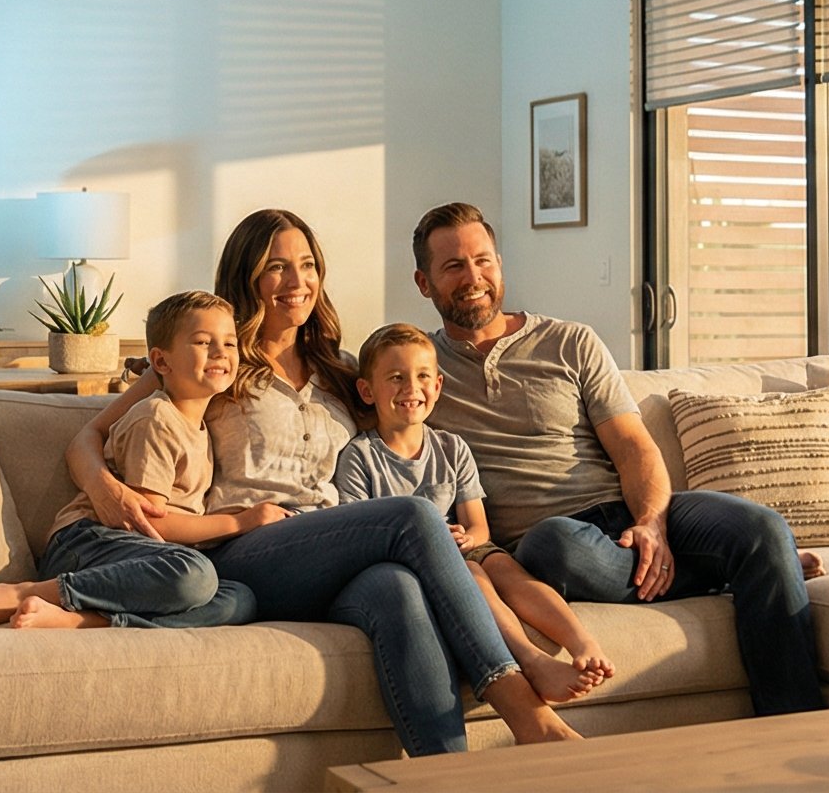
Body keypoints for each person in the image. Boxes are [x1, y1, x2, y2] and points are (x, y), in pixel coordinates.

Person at [61, 209, 579, 756]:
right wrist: (104, 489)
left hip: (333, 553)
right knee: (412, 514)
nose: (297, 281)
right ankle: (527, 712)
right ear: (248, 276)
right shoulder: (217, 358)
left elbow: (409, 431)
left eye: (307, 265)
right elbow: (86, 437)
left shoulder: (342, 369)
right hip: (246, 550)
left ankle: (443, 774)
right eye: (277, 267)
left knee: (397, 589)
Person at [410, 201, 827, 717]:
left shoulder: (569, 341)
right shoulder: (417, 372)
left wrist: (653, 522)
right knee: (552, 542)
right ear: (424, 283)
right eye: (453, 266)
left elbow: (633, 446)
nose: (473, 277)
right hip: (556, 543)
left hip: (628, 514)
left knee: (762, 528)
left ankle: (796, 724)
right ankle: (740, 572)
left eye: (484, 261)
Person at [334, 322, 614, 704]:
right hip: (411, 563)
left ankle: (582, 642)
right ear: (367, 390)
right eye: (395, 377)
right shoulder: (359, 457)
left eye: (421, 377)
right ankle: (531, 660)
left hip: (465, 548)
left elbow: (478, 525)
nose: (410, 388)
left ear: (438, 386)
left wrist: (469, 538)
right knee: (473, 572)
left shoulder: (452, 448)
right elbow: (356, 536)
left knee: (502, 567)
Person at [0, 290, 260, 630]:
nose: (220, 352)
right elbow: (151, 523)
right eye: (203, 342)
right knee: (196, 574)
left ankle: (84, 620)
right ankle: (35, 591)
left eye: (230, 343)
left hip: (137, 563)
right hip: (89, 544)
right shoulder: (156, 417)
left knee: (239, 599)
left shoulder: (199, 428)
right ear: (160, 362)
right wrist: (242, 522)